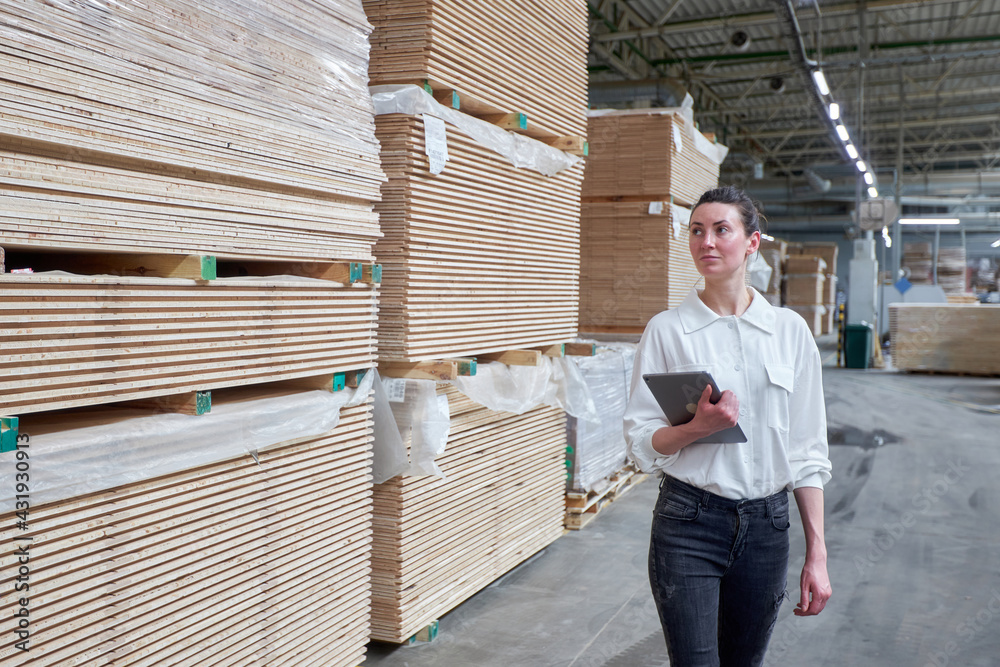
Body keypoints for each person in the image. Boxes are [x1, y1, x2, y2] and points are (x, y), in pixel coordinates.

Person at [622, 185, 833, 667]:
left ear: (752, 242)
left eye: (722, 230)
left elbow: (807, 452)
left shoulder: (789, 332)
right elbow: (640, 444)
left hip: (768, 529)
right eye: (697, 231)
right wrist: (695, 428)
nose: (707, 242)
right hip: (689, 523)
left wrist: (816, 554)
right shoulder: (667, 331)